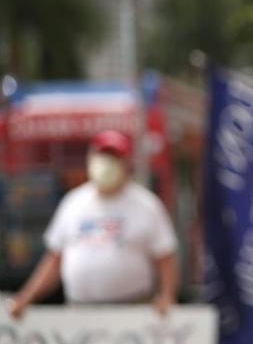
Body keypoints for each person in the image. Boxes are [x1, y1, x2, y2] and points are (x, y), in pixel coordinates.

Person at [7, 130, 179, 318]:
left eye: (114, 157)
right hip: (81, 312)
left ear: (127, 163)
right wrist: (25, 298)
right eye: (103, 156)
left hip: (132, 312)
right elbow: (54, 259)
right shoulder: (73, 202)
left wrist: (167, 296)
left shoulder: (147, 205)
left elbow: (165, 257)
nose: (107, 163)